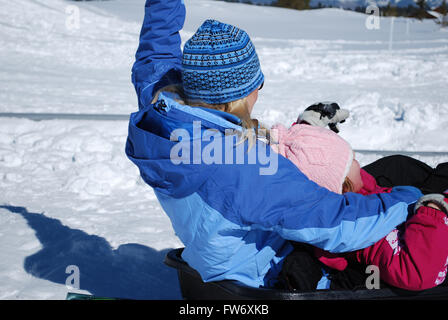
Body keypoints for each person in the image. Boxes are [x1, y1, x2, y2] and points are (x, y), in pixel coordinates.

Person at [125, 0, 424, 289]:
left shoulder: (163, 109)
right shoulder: (244, 167)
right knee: (395, 181)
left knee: (386, 170)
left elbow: (156, 49)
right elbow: (335, 223)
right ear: (239, 96)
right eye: (257, 84)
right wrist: (413, 200)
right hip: (267, 274)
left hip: (219, 252)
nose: (259, 91)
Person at [271, 121, 448, 291]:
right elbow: (415, 272)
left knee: (399, 165)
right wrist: (434, 210)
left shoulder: (357, 192)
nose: (359, 164)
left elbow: (317, 171)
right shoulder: (367, 231)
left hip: (412, 211)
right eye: (353, 160)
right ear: (344, 184)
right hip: (429, 232)